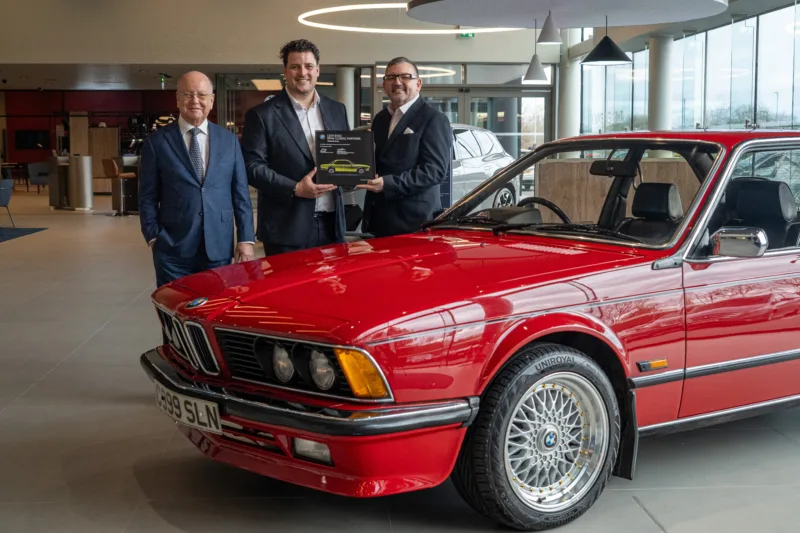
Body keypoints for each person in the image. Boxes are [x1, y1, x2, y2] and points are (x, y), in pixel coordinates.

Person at [139, 71, 255, 289]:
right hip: (172, 250)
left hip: (219, 248)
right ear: (177, 98)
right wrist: (154, 237)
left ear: (211, 100)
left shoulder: (229, 141)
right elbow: (147, 197)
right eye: (187, 94)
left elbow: (241, 194)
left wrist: (246, 239)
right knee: (175, 313)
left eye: (201, 95)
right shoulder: (157, 143)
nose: (195, 101)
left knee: (214, 312)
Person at [241, 39, 351, 256]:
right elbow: (251, 167)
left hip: (332, 226)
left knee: (332, 289)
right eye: (295, 66)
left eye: (309, 66)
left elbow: (344, 155)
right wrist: (294, 188)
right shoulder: (262, 115)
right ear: (285, 71)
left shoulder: (337, 109)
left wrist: (357, 174)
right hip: (285, 228)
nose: (303, 72)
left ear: (317, 70)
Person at [357, 57, 452, 238]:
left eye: (405, 76)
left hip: (414, 221)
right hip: (379, 218)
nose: (397, 82)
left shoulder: (434, 119)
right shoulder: (380, 119)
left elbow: (435, 171)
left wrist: (388, 184)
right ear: (384, 85)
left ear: (418, 84)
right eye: (391, 77)